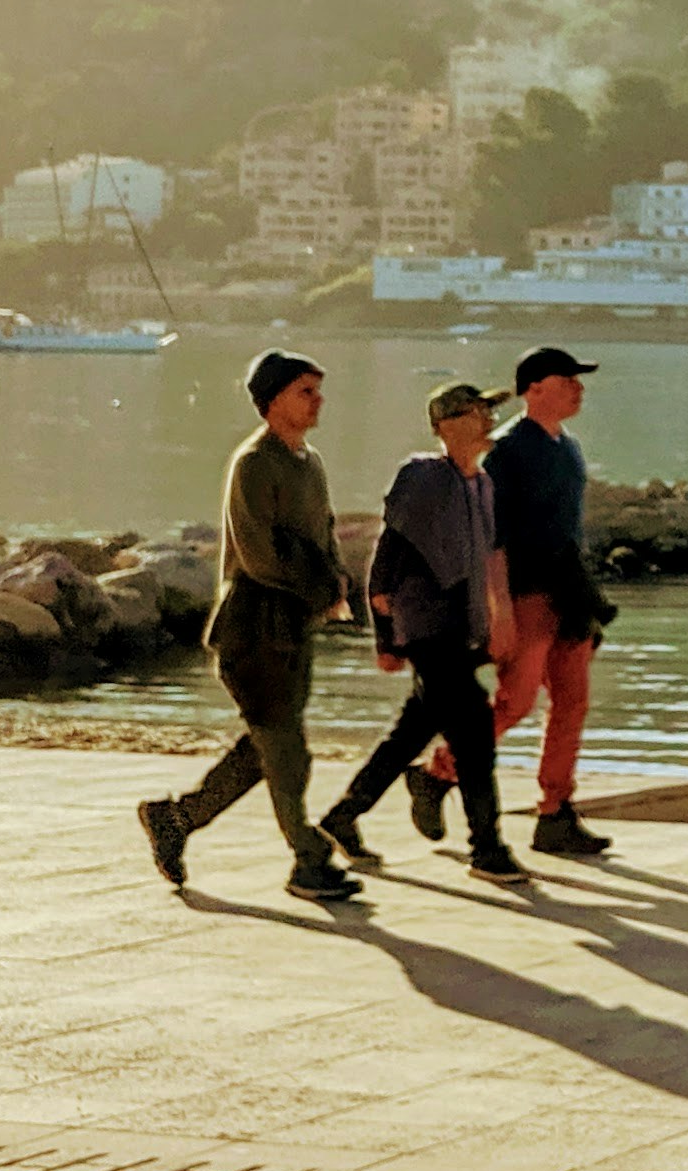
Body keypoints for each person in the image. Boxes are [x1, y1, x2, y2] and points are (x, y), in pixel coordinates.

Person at [143, 351, 360, 906]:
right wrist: (317, 587)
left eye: (317, 390)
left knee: (268, 745)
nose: (317, 401)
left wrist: (336, 582)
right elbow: (261, 555)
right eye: (305, 391)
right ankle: (308, 859)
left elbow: (324, 532)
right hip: (253, 628)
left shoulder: (309, 462)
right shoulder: (254, 463)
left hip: (294, 625)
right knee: (288, 750)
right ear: (273, 400)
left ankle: (177, 819)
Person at [325, 379, 537, 890]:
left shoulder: (482, 486)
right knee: (474, 733)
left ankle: (342, 816)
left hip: (463, 629)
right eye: (476, 411)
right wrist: (385, 639)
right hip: (425, 627)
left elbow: (486, 561)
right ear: (444, 424)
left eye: (489, 411)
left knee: (409, 735)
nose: (487, 419)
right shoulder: (420, 478)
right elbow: (387, 557)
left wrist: (496, 621)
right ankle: (487, 848)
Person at [412, 342, 616, 859]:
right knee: (517, 702)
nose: (579, 388)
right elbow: (487, 537)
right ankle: (439, 773)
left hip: (570, 593)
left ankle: (555, 813)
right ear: (535, 389)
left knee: (573, 702)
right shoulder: (507, 451)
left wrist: (589, 606)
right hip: (524, 594)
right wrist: (497, 608)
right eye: (568, 379)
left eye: (578, 379)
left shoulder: (568, 447)